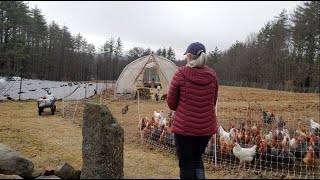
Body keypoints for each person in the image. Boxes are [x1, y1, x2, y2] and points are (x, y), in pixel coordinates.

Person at [167, 42, 219, 179]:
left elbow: (171, 104)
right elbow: (212, 103)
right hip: (205, 129)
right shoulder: (212, 75)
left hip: (185, 130)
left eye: (186, 56)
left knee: (186, 164)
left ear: (189, 57)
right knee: (197, 160)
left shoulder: (180, 73)